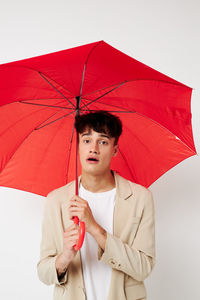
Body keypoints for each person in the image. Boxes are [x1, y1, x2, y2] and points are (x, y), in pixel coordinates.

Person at [37, 110, 155, 300]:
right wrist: (65, 257)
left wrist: (93, 227)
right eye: (86, 140)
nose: (94, 148)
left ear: (115, 149)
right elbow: (43, 273)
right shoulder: (56, 200)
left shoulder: (140, 198)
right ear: (78, 146)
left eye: (103, 141)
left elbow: (143, 269)